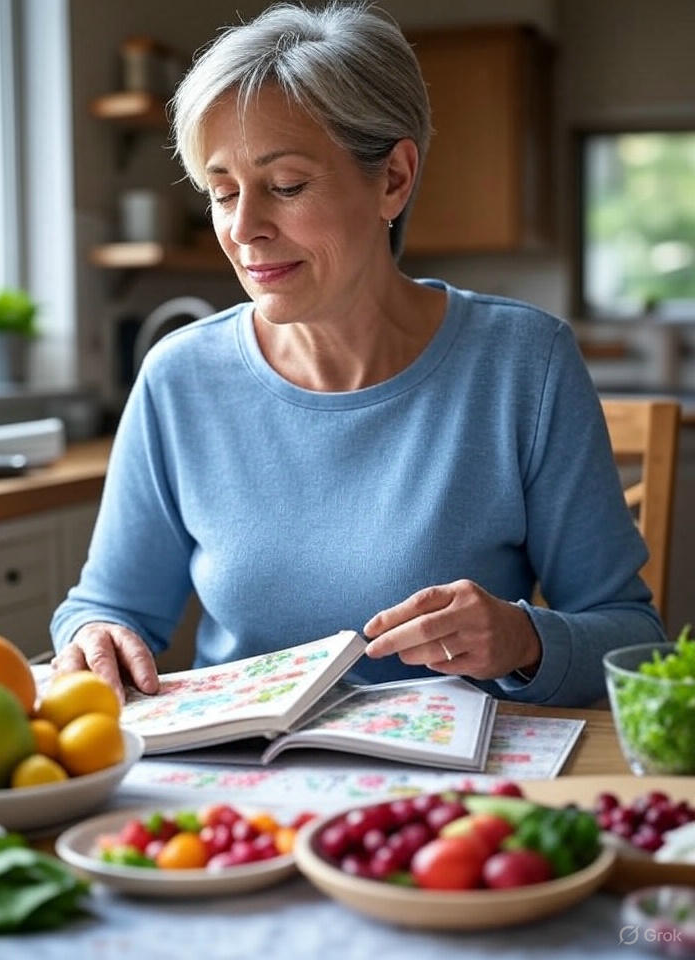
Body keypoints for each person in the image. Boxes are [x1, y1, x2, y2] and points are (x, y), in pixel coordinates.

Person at [50, 1, 664, 706]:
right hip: (242, 798)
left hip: (457, 804)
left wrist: (525, 639)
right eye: (222, 193)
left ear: (394, 179)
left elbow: (634, 641)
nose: (244, 228)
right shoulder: (178, 379)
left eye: (286, 187)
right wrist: (97, 634)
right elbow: (105, 608)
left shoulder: (526, 364)